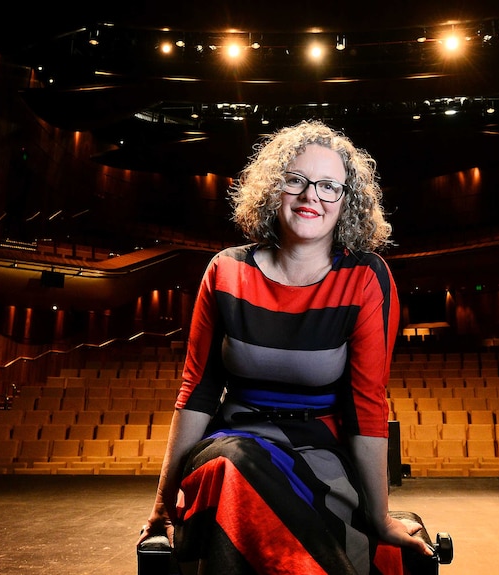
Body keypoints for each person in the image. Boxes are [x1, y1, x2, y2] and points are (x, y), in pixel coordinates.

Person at [137, 120, 432, 574]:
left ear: (346, 203)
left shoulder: (366, 277)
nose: (311, 195)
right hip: (229, 443)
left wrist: (379, 517)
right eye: (296, 180)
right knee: (233, 466)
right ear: (274, 190)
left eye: (329, 186)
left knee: (258, 485)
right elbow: (196, 391)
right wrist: (161, 504)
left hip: (320, 452)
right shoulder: (225, 271)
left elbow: (367, 403)